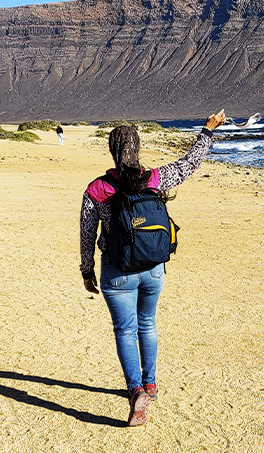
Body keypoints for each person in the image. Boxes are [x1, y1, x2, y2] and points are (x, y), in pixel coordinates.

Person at [80, 111, 226, 426]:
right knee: (147, 324)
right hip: (154, 268)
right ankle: (150, 383)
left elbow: (87, 232)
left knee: (125, 330)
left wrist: (86, 269)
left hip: (117, 271)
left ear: (112, 151)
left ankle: (135, 392)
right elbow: (190, 163)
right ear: (138, 148)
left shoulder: (97, 189)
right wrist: (207, 130)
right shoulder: (155, 179)